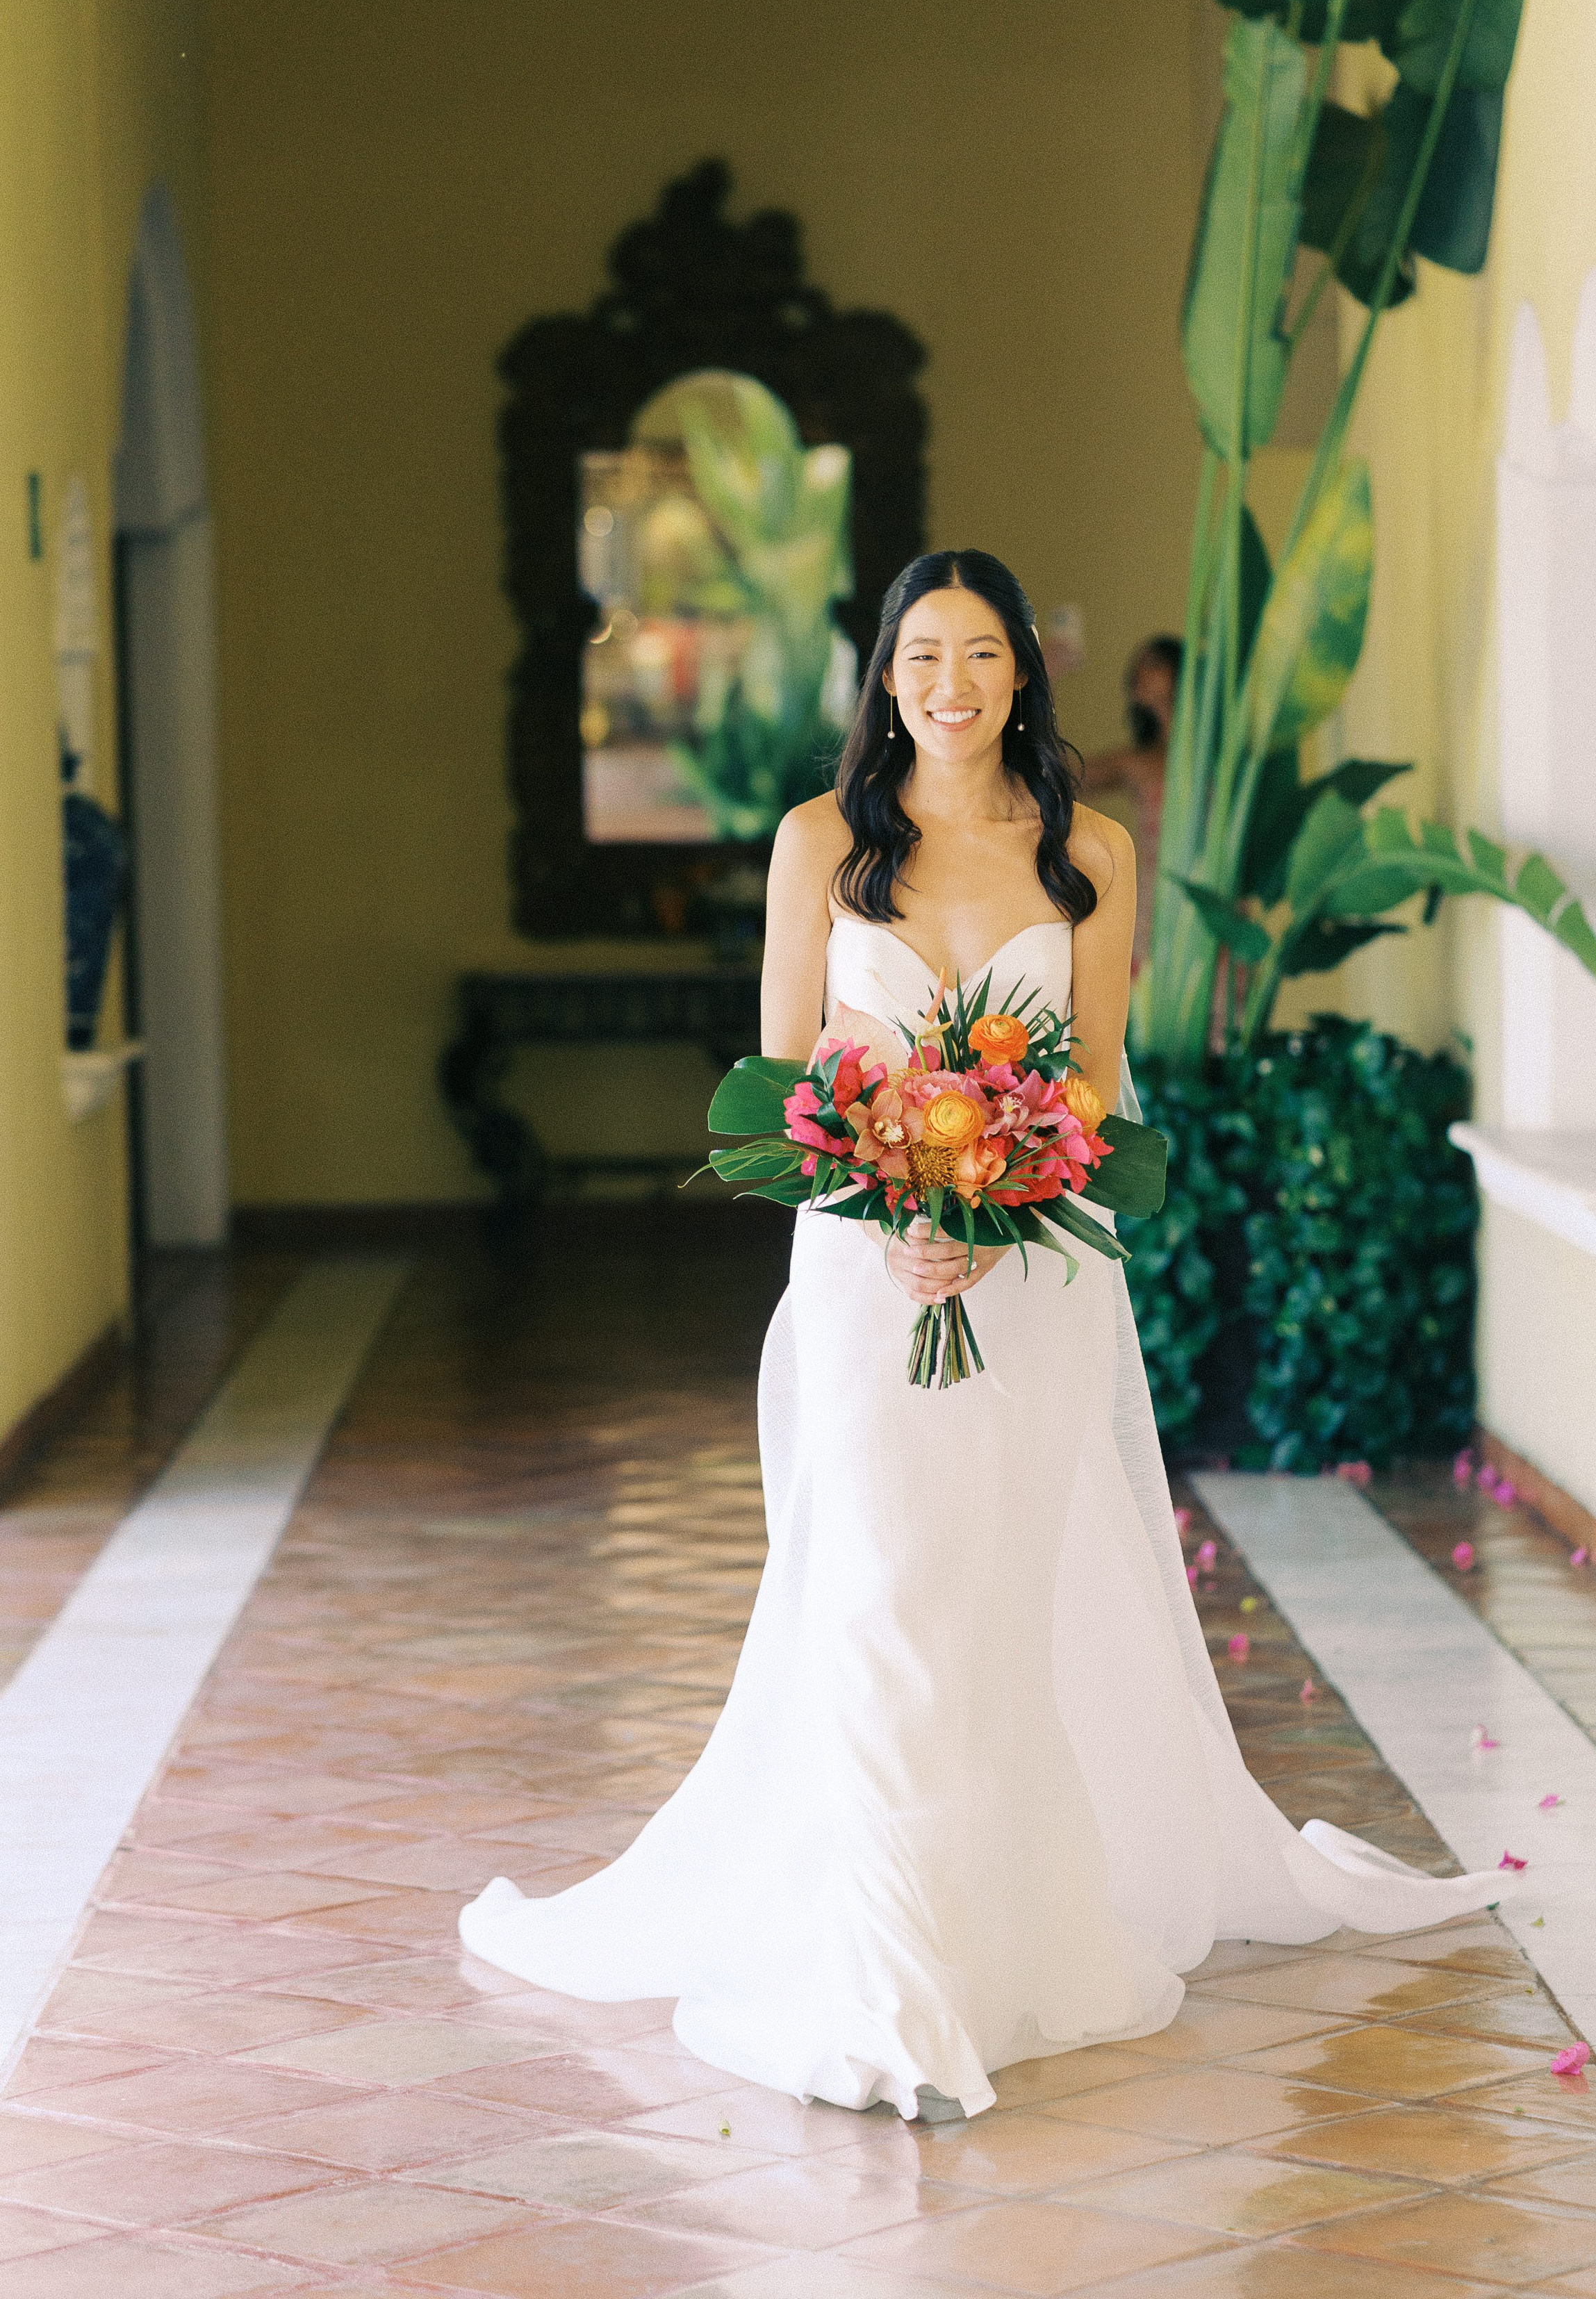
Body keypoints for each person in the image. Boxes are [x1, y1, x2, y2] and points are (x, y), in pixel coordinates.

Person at [460, 548, 1502, 2119]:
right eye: (918, 654)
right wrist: (894, 1196)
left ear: (1022, 672)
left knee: (996, 1598)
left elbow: (1087, 1071)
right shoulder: (820, 838)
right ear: (882, 678)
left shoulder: (1087, 846)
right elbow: (775, 1078)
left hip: (1032, 1276)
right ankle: (885, 1973)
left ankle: (1008, 1943)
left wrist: (993, 1180)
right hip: (857, 1270)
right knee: (879, 1585)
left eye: (979, 653)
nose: (948, 682)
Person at [1080, 634, 1183, 969]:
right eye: (1137, 668)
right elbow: (1057, 779)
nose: (1140, 672)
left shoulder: (1224, 758)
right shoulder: (1137, 762)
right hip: (1156, 909)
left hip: (1219, 906)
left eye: (1153, 663)